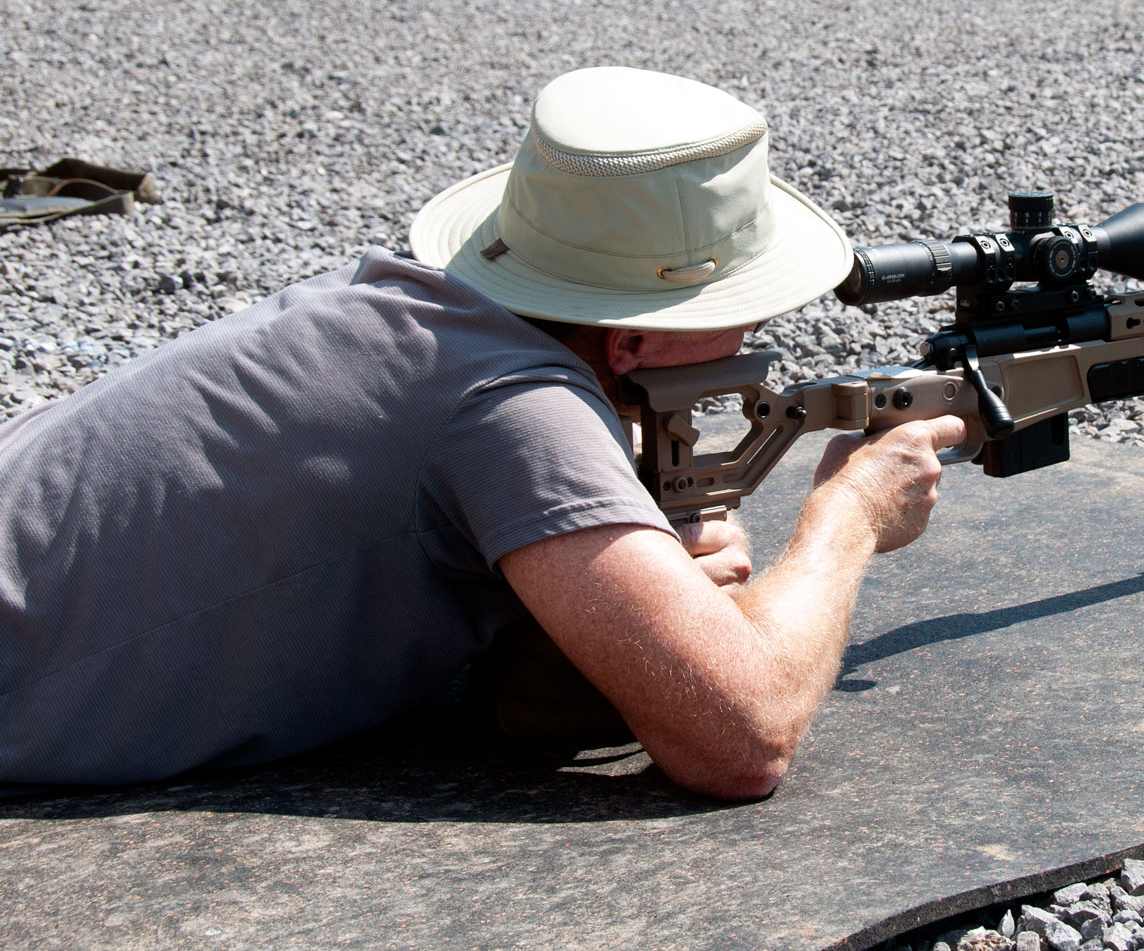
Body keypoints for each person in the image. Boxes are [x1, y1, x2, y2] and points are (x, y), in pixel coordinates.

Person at [0, 66, 963, 800]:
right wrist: (848, 514)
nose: (754, 334)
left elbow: (524, 697)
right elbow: (742, 739)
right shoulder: (516, 408)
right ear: (628, 338)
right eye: (740, 310)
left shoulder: (406, 306)